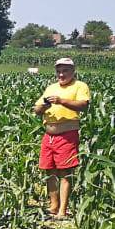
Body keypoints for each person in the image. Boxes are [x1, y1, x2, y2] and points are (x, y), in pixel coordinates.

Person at [33, 56, 89, 219]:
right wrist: (43, 106)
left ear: (73, 71)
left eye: (65, 71)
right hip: (49, 136)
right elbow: (36, 110)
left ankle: (62, 211)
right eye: (59, 71)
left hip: (67, 135)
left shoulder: (79, 86)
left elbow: (83, 105)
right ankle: (53, 206)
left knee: (65, 172)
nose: (61, 74)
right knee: (49, 171)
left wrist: (61, 101)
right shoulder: (51, 88)